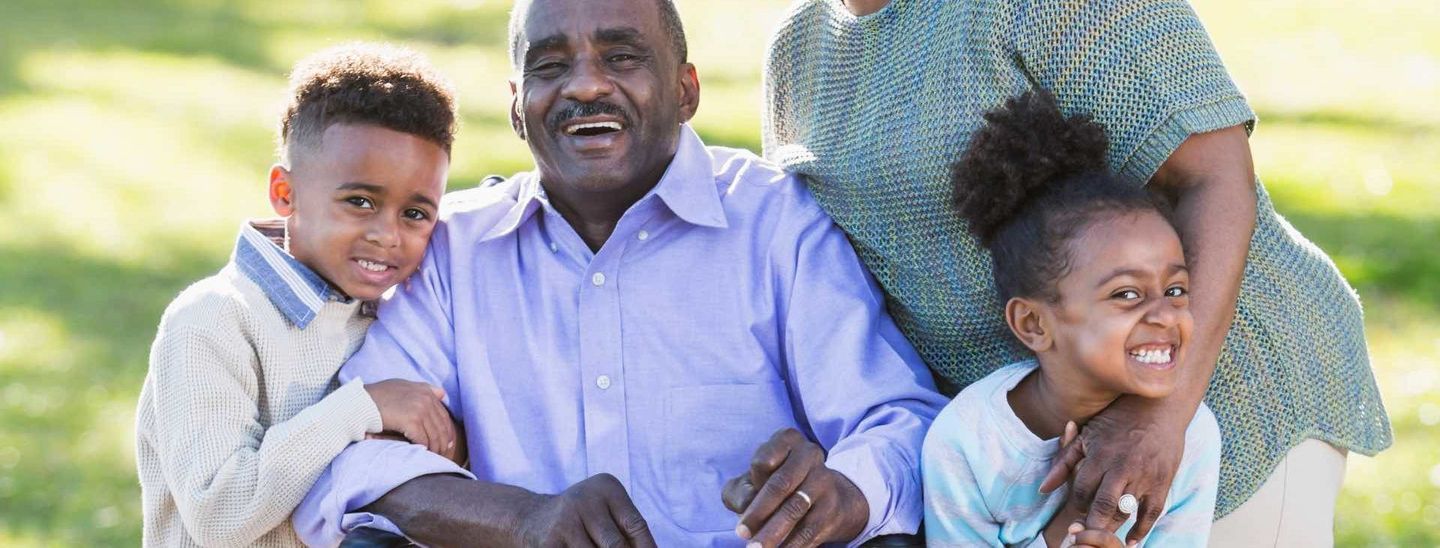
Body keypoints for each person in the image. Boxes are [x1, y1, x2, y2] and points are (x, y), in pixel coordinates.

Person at [291, 0, 948, 546]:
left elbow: (896, 420)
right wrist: (524, 520)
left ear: (685, 91)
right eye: (551, 66)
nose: (584, 86)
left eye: (622, 57)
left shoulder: (776, 225)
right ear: (518, 107)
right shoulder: (452, 250)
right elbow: (354, 457)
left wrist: (843, 494)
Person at [763, 0, 1390, 544]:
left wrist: (1161, 417)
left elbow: (1216, 175)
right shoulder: (797, 48)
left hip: (1219, 397)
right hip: (1014, 446)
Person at [134, 44, 462, 547]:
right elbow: (220, 514)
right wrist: (362, 408)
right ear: (285, 193)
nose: (387, 235)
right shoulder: (212, 320)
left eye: (415, 214)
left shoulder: (395, 319)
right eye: (360, 201)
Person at [922, 92, 1221, 548]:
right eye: (1127, 294)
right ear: (1034, 324)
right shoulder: (967, 443)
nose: (1166, 314)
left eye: (1175, 290)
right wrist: (1074, 521)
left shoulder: (1190, 435)